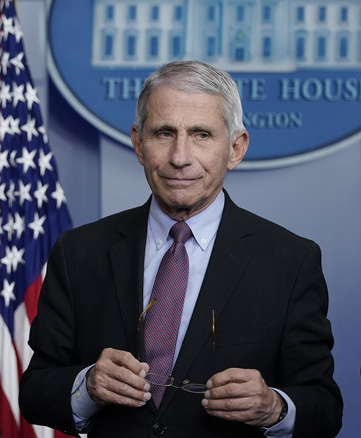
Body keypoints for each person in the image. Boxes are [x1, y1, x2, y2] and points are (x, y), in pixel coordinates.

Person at [19, 60, 342, 437]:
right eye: (164, 133)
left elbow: (325, 409)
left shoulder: (291, 261)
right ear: (139, 143)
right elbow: (35, 393)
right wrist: (87, 386)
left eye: (201, 134)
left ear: (235, 149)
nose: (179, 157)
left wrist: (273, 407)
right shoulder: (78, 251)